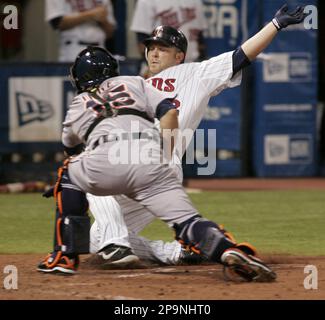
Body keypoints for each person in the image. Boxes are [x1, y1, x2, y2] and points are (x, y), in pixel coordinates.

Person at [86, 4, 307, 268]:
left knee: (92, 172)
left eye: (163, 48)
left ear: (179, 56)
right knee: (95, 238)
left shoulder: (195, 74)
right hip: (150, 170)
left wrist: (275, 25)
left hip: (154, 160)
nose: (154, 53)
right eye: (151, 47)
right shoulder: (138, 85)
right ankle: (176, 253)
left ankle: (115, 244)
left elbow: (241, 56)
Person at [37, 46, 276, 283]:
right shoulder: (137, 83)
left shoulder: (80, 103)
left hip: (108, 159)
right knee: (187, 222)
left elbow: (72, 152)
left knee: (68, 173)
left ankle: (66, 257)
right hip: (152, 162)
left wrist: (68, 186)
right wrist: (163, 158)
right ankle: (224, 249)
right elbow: (170, 114)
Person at [130, 0, 207, 76]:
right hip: (159, 69)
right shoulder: (147, 1)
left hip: (190, 66)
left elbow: (200, 39)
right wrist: (150, 66)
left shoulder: (196, 1)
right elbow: (142, 40)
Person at [45, 0, 116, 62]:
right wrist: (90, 15)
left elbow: (110, 33)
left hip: (100, 48)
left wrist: (103, 20)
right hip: (73, 49)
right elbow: (57, 23)